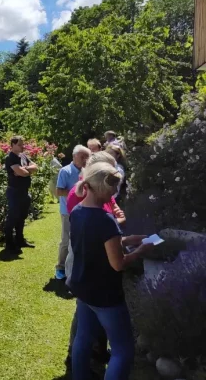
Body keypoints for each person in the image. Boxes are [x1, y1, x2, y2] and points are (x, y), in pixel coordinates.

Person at [69, 162, 152, 380]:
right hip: (105, 295)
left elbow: (95, 242)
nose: (115, 193)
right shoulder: (106, 220)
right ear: (102, 188)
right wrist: (141, 250)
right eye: (113, 188)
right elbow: (118, 264)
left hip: (83, 288)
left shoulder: (77, 211)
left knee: (83, 337)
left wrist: (128, 240)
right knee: (123, 351)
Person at [54, 145, 91, 280]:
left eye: (87, 157)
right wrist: (77, 193)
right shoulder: (66, 171)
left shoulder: (87, 171)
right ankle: (60, 267)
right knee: (66, 240)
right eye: (83, 157)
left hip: (84, 211)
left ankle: (76, 267)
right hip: (68, 211)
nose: (85, 160)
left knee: (80, 240)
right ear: (74, 156)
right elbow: (58, 191)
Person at [3, 136, 38, 254]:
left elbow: (35, 167)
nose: (22, 146)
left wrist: (25, 169)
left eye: (22, 144)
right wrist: (25, 171)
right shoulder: (10, 158)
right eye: (19, 145)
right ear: (12, 145)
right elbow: (21, 173)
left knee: (22, 217)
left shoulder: (23, 156)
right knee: (12, 218)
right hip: (14, 192)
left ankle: (20, 240)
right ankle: (9, 244)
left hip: (24, 191)